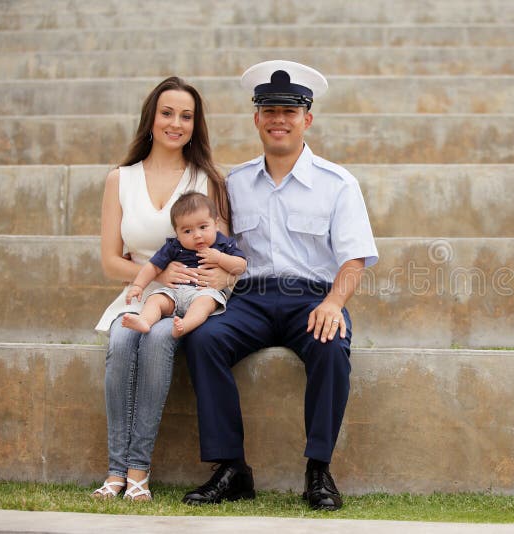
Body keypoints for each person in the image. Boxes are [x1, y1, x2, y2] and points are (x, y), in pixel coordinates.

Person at [181, 60, 378, 511]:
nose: (279, 119)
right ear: (256, 119)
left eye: (290, 111)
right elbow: (220, 244)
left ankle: (318, 470)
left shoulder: (337, 184)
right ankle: (232, 468)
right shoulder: (234, 182)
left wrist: (333, 303)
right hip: (248, 298)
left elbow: (353, 258)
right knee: (204, 337)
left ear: (307, 119)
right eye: (269, 110)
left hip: (308, 297)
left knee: (331, 344)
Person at [93, 77, 233, 501]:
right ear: (151, 120)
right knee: (122, 338)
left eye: (186, 116)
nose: (176, 123)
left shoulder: (206, 179)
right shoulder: (120, 179)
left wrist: (206, 285)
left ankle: (138, 471)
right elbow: (110, 260)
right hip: (137, 294)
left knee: (155, 340)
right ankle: (115, 471)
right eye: (167, 113)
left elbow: (223, 258)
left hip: (188, 299)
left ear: (196, 124)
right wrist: (157, 275)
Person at [121, 192, 246, 339]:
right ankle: (145, 321)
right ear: (177, 233)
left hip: (204, 291)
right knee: (155, 299)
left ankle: (185, 325)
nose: (197, 235)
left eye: (203, 227)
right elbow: (153, 267)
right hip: (174, 292)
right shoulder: (174, 246)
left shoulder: (223, 244)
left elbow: (241, 265)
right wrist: (138, 286)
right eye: (187, 231)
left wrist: (220, 258)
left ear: (216, 224)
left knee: (204, 304)